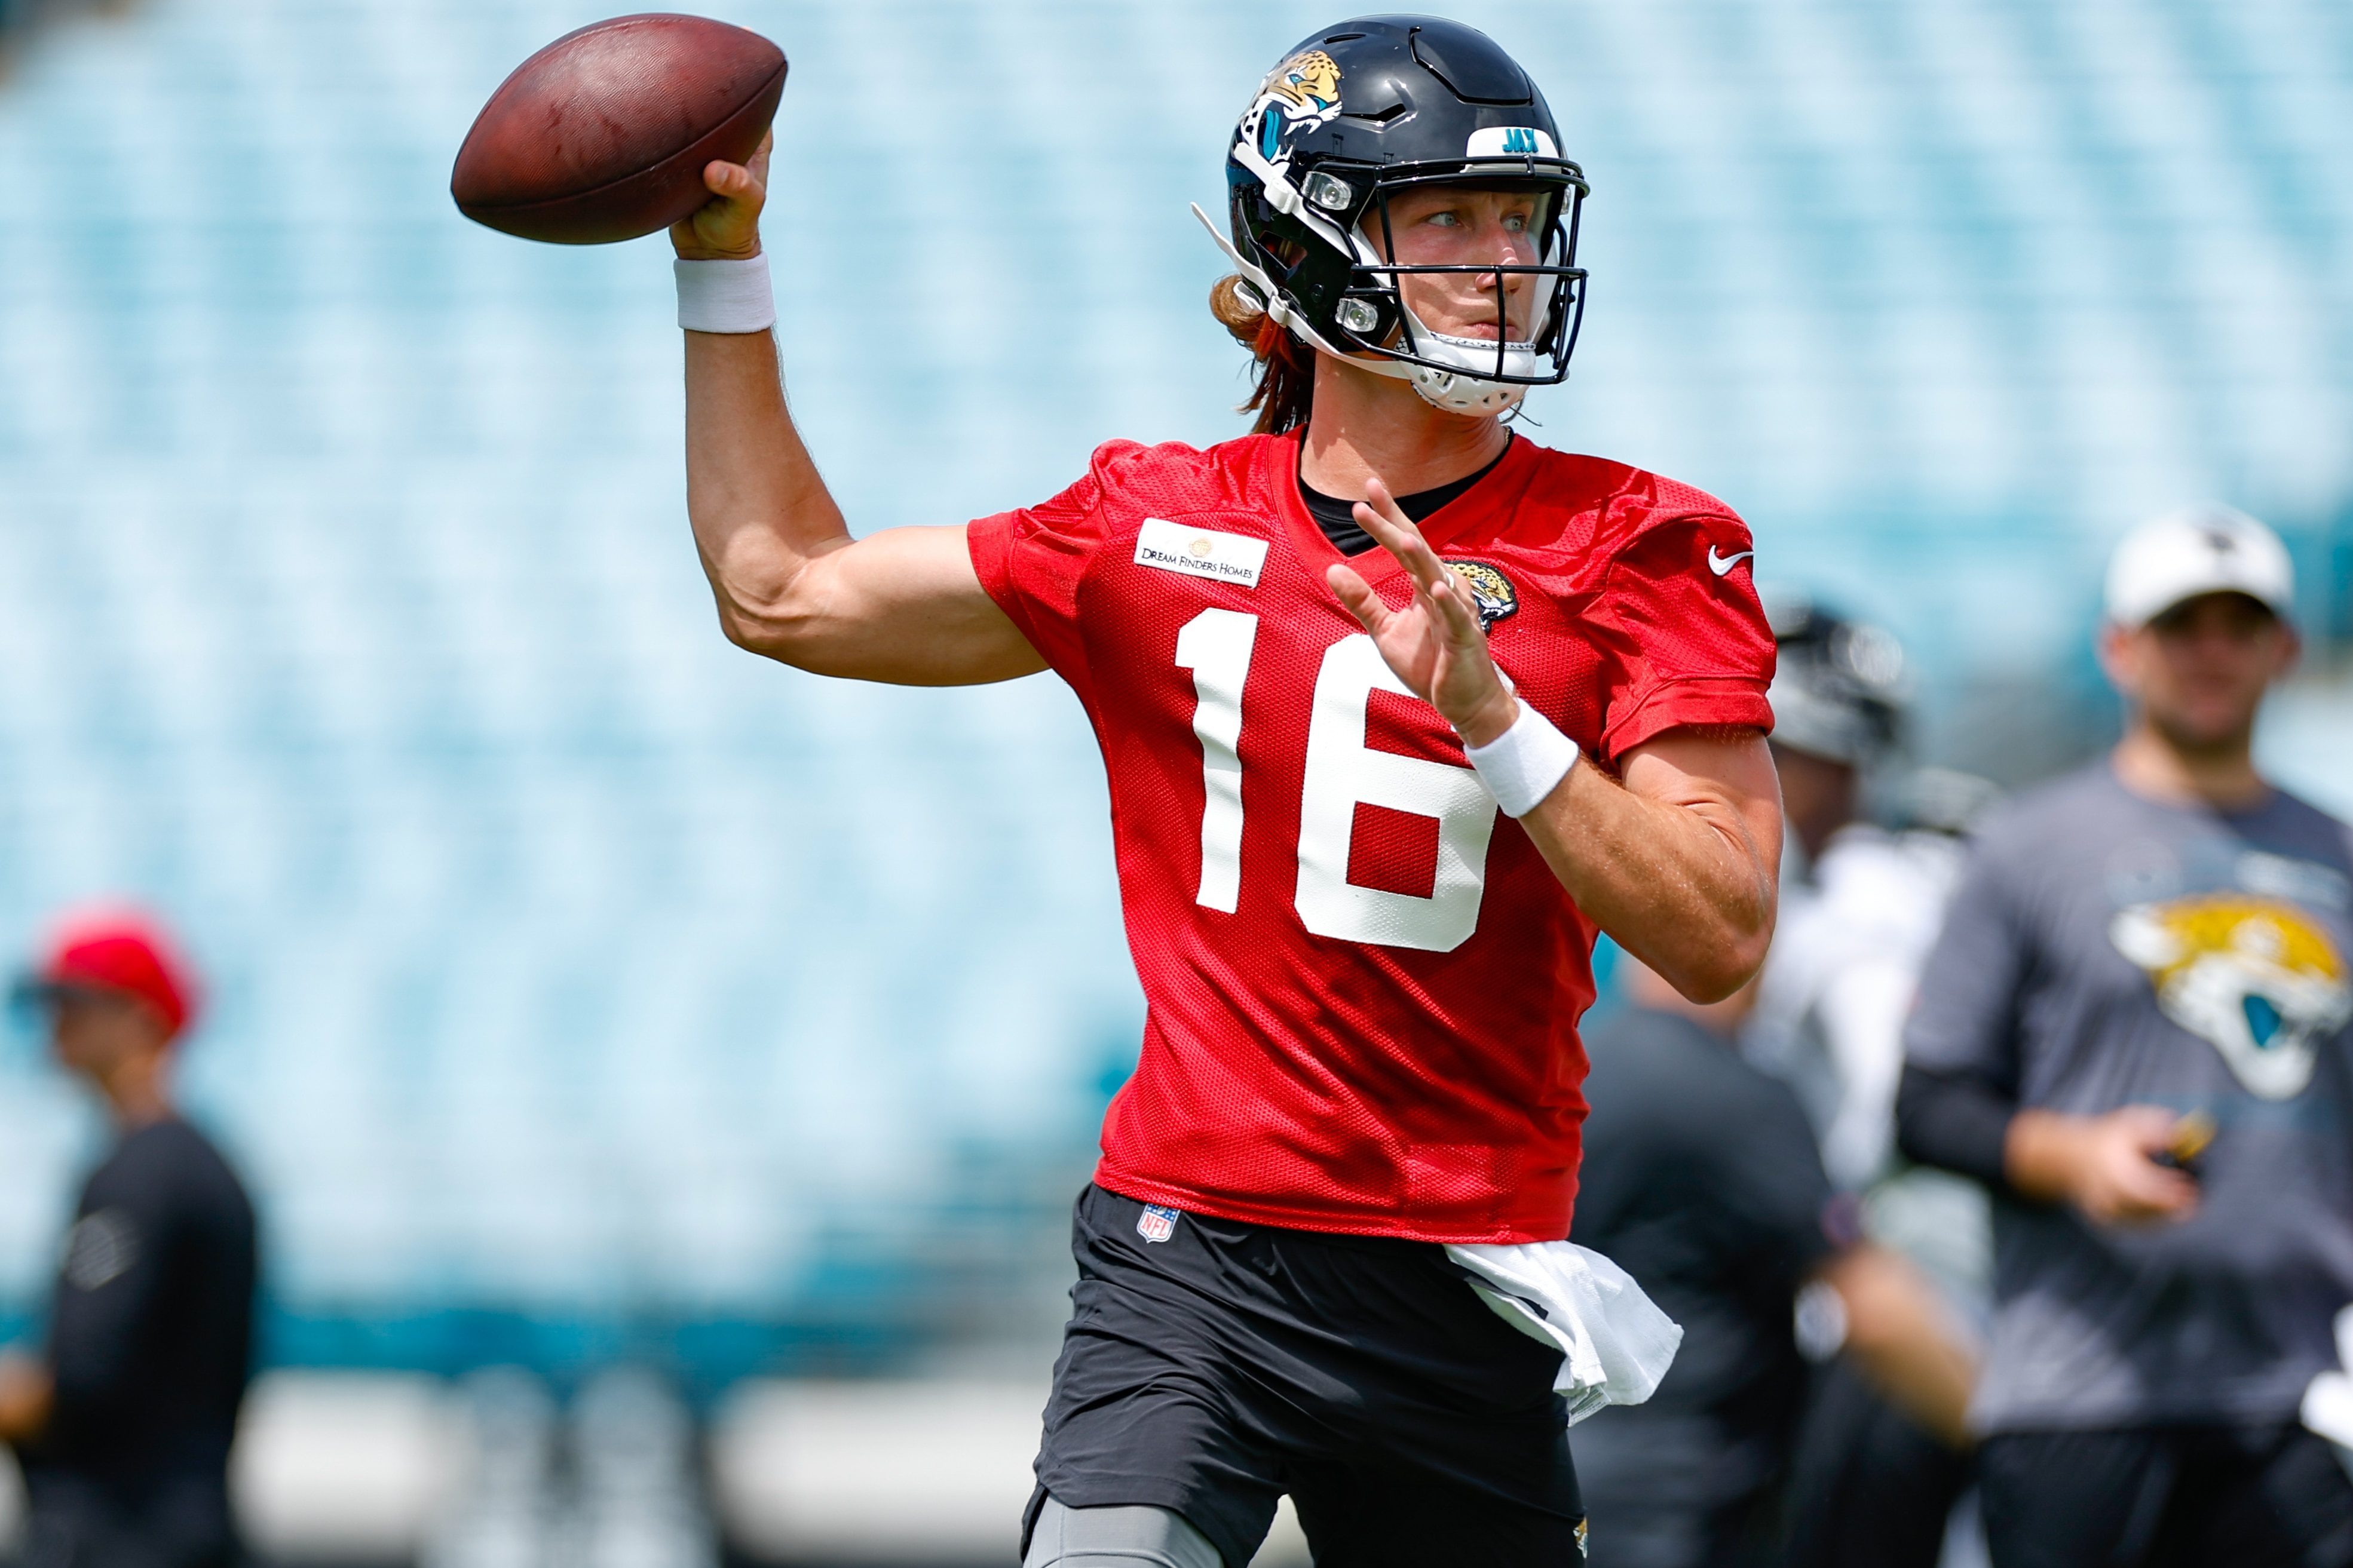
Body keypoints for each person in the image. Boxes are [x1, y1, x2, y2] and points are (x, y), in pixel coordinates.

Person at [664, 16, 1785, 1566]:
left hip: (1463, 1271)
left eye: (1520, 218)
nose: (1501, 258)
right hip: (1196, 1253)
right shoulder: (1154, 523)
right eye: (1447, 215)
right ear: (1311, 242)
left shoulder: (1640, 542)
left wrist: (1498, 720)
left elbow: (1720, 930)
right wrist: (719, 267)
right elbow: (781, 589)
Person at [1896, 505, 2353, 1567]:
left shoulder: (2336, 861)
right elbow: (1925, 1108)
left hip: (2296, 1395)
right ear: (2119, 648)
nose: (2209, 652)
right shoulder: (2027, 848)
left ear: (2282, 648)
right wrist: (2071, 1156)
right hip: (2078, 1393)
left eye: (2237, 625)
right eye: (2179, 623)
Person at [1571, 958, 1975, 1568]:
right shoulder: (1733, 1095)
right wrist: (1999, 1427)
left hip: (1566, 1484)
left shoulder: (1576, 1080)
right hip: (1688, 1504)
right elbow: (1874, 1310)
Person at [0, 909, 258, 1568]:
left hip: (126, 1533)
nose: (57, 1025)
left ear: (143, 1021)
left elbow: (81, 1384)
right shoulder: (200, 1165)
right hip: (177, 1526)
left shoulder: (142, 1176)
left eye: (77, 1004)